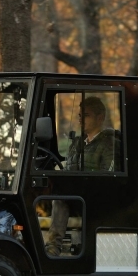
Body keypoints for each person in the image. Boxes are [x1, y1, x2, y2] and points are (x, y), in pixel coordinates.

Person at [45, 96, 117, 256]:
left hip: (98, 199)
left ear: (100, 118)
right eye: (79, 115)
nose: (80, 119)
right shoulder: (78, 143)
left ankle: (53, 247)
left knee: (60, 198)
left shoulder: (110, 144)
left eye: (86, 115)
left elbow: (109, 178)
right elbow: (69, 170)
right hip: (78, 196)